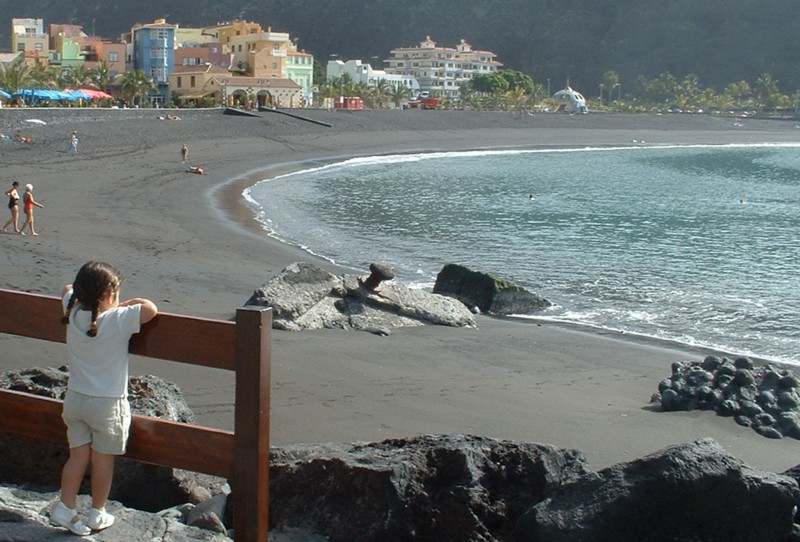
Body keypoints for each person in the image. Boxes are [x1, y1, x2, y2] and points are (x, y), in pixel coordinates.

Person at [51, 261, 158, 535]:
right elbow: (150, 310)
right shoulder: (117, 319)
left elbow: (66, 288)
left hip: (75, 399)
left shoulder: (71, 310)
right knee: (102, 460)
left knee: (77, 457)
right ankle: (97, 513)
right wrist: (128, 303)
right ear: (109, 296)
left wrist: (80, 293)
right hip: (107, 404)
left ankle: (65, 507)